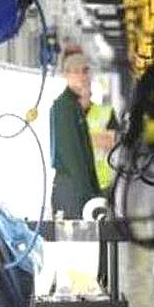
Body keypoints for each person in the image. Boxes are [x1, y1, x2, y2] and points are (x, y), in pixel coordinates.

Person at [50, 51, 101, 218]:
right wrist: (89, 198)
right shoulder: (64, 108)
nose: (82, 75)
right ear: (65, 74)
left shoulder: (75, 106)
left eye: (85, 70)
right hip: (72, 190)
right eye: (76, 71)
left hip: (78, 187)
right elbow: (74, 158)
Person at [78, 86, 117, 194]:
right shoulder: (66, 116)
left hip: (103, 185)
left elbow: (111, 142)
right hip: (76, 186)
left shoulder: (106, 112)